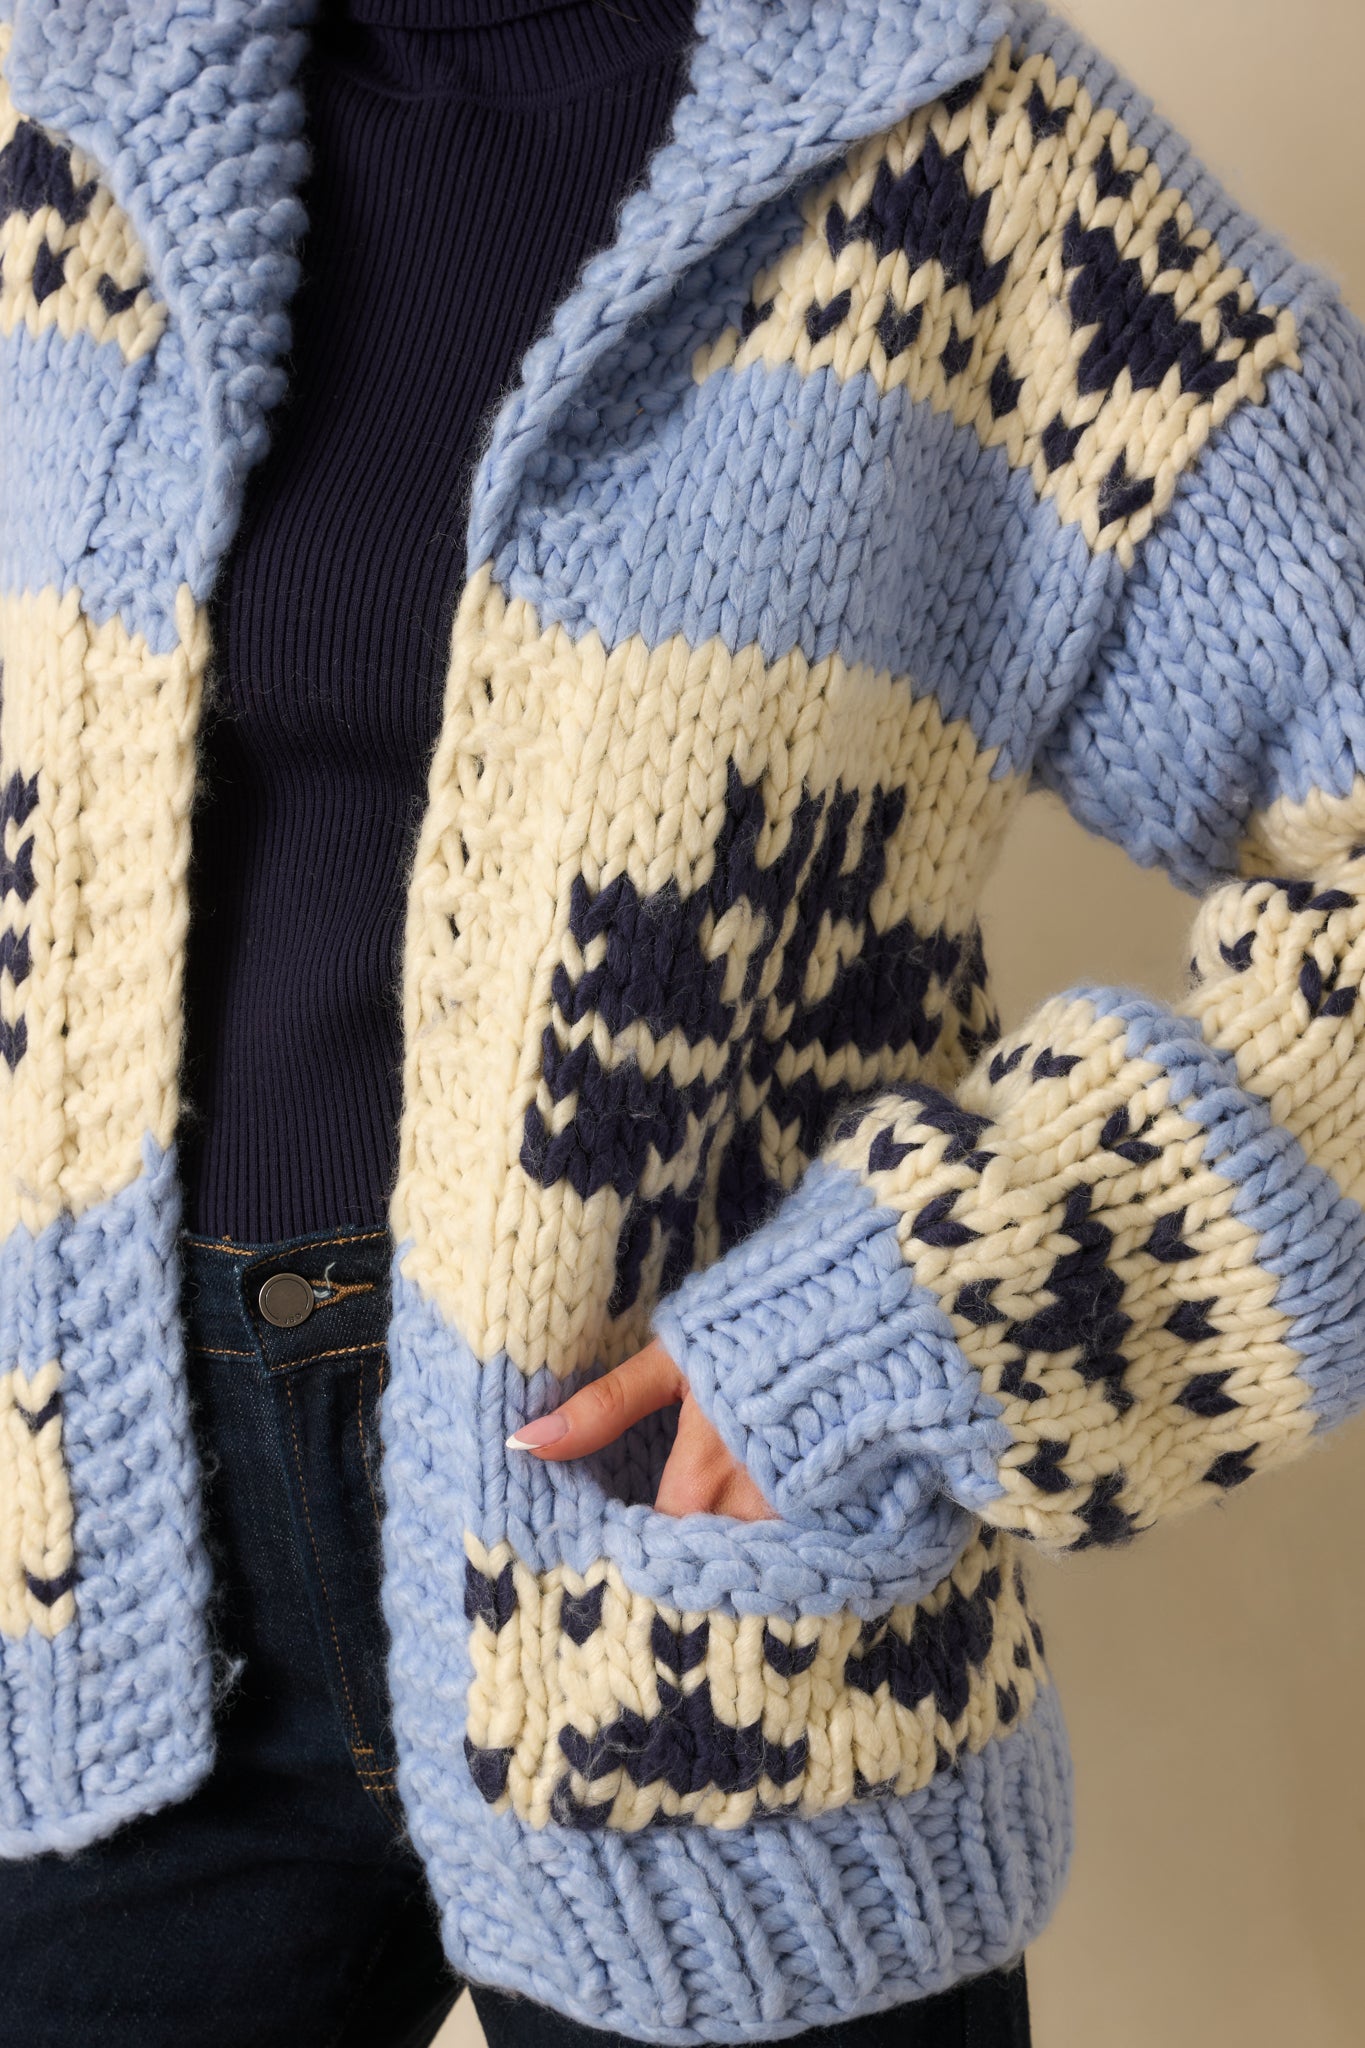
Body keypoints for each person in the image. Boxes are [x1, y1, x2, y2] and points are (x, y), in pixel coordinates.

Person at [0, 0, 1361, 2043]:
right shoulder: (71, 120)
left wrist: (929, 1308)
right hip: (91, 1588)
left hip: (702, 1589)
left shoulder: (978, 163)